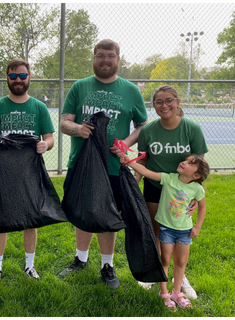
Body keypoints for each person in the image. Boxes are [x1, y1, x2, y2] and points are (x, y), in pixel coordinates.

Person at [59, 39, 148, 289]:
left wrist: (125, 143)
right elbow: (65, 122)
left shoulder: (130, 90)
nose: (105, 60)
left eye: (110, 56)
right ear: (94, 58)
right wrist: (78, 129)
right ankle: (81, 259)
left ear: (118, 59)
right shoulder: (80, 87)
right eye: (100, 55)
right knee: (82, 211)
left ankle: (107, 265)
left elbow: (142, 125)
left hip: (112, 165)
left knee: (109, 214)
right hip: (82, 163)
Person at [0, 58, 55, 287]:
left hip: (30, 170)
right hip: (4, 170)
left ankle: (29, 265)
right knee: (1, 219)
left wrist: (46, 145)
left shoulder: (39, 107)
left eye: (23, 76)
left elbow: (50, 137)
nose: (18, 80)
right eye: (13, 76)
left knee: (31, 218)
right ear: (7, 78)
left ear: (29, 77)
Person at [134, 85, 208, 298]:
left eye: (169, 100)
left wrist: (197, 193)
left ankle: (179, 276)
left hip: (182, 193)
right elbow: (142, 160)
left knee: (179, 233)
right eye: (159, 102)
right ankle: (156, 273)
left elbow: (199, 164)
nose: (164, 105)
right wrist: (134, 184)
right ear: (154, 105)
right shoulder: (148, 130)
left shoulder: (191, 128)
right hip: (156, 187)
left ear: (177, 102)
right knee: (157, 232)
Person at [121, 153, 209, 310]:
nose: (183, 162)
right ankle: (164, 293)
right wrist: (129, 162)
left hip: (184, 231)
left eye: (189, 163)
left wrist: (197, 227)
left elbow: (202, 207)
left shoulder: (197, 189)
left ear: (196, 175)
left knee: (181, 262)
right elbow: (148, 173)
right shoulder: (169, 178)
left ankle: (177, 293)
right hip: (166, 229)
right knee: (165, 260)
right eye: (186, 160)